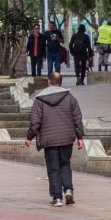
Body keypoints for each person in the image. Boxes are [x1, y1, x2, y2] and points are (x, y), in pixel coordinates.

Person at [25, 72, 84, 207]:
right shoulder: (70, 98)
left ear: (49, 82)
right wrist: (80, 137)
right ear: (61, 82)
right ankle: (68, 190)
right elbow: (77, 119)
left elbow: (35, 122)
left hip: (49, 139)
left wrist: (29, 137)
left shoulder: (39, 100)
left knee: (53, 168)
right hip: (66, 138)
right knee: (65, 164)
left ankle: (57, 198)